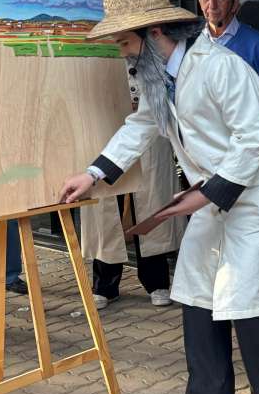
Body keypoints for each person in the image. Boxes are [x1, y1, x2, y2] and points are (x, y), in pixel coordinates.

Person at [59, 0, 259, 394]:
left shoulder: (221, 67)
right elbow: (141, 126)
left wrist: (210, 193)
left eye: (125, 42)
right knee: (197, 291)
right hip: (215, 193)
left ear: (153, 33)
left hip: (257, 192)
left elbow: (254, 138)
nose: (122, 52)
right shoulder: (158, 77)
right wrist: (92, 173)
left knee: (247, 298)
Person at [79, 36, 184, 311]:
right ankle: (105, 284)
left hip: (147, 131)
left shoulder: (159, 53)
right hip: (108, 128)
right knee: (105, 209)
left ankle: (156, 280)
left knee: (151, 205)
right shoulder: (95, 47)